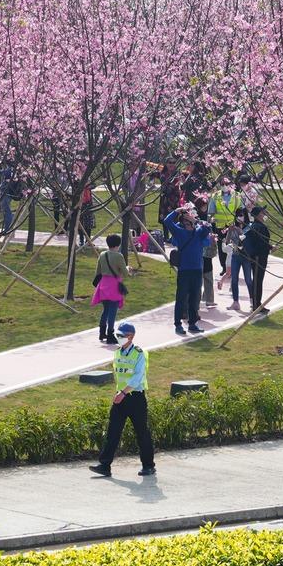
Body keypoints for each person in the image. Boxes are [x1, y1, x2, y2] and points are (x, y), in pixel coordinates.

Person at [88, 322, 155, 478]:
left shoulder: (139, 353)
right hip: (121, 396)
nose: (118, 338)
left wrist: (123, 393)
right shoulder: (118, 352)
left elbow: (138, 377)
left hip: (135, 397)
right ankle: (105, 465)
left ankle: (149, 465)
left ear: (131, 336)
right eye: (118, 335)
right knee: (112, 431)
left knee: (141, 432)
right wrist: (120, 393)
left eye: (121, 336)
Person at [162, 203, 209, 334]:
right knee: (181, 297)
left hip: (197, 270)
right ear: (183, 223)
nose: (189, 225)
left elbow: (208, 228)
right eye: (187, 223)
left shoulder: (199, 232)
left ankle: (192, 324)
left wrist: (196, 220)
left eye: (191, 222)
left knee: (194, 298)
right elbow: (167, 221)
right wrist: (177, 211)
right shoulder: (179, 233)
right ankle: (178, 324)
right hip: (184, 270)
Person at [91, 233, 129, 343]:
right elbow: (125, 273)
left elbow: (98, 271)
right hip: (114, 286)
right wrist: (127, 268)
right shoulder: (119, 256)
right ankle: (110, 335)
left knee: (105, 310)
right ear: (118, 244)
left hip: (103, 285)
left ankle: (102, 333)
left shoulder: (102, 255)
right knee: (112, 312)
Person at [240, 204, 271, 311]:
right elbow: (261, 243)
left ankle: (256, 303)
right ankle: (256, 304)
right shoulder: (259, 227)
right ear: (258, 215)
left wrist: (269, 247)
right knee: (258, 281)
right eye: (262, 213)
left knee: (257, 280)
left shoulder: (252, 225)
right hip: (259, 257)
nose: (264, 214)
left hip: (256, 256)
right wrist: (270, 247)